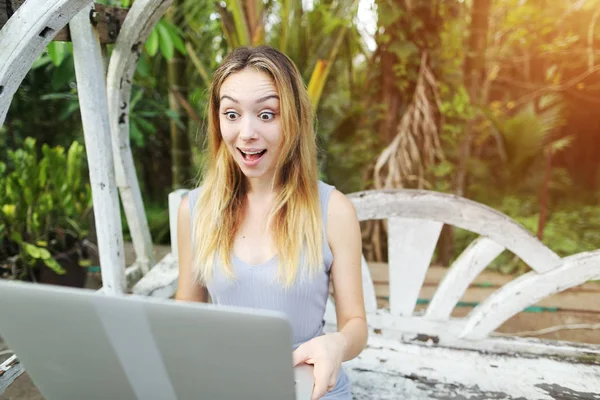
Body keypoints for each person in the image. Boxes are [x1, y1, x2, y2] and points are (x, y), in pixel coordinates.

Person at [175, 45, 367, 400]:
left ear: (292, 119)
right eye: (231, 114)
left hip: (310, 392)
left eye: (266, 115)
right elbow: (187, 311)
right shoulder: (196, 210)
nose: (246, 132)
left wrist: (336, 345)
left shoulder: (333, 210)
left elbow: (355, 325)